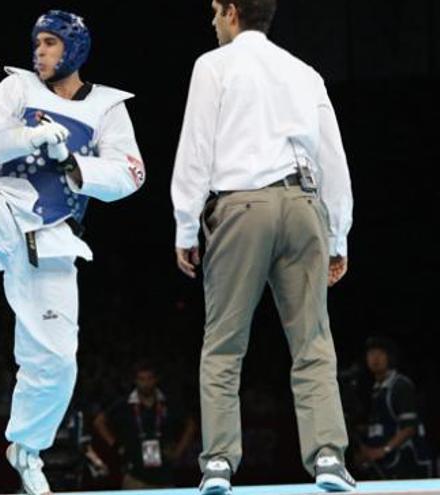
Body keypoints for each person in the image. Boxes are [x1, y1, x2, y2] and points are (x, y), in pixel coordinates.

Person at [0, 10, 145, 495]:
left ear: (73, 49)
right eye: (38, 43)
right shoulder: (17, 88)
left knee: (57, 360)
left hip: (52, 236)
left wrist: (72, 162)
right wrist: (27, 136)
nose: (40, 52)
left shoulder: (108, 108)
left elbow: (131, 175)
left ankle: (26, 449)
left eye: (49, 43)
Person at [170, 0, 355, 493]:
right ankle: (330, 458)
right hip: (303, 205)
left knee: (224, 343)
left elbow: (195, 150)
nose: (211, 21)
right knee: (313, 341)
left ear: (232, 12)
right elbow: (332, 157)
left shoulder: (214, 66)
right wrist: (338, 233)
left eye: (214, 11)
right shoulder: (303, 71)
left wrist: (185, 229)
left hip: (241, 208)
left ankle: (218, 463)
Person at [92, 361, 197, 489]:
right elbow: (99, 421)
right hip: (135, 476)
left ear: (156, 379)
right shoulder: (124, 404)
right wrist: (115, 444)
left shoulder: (168, 402)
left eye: (149, 378)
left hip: (165, 475)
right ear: (135, 381)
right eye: (142, 379)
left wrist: (178, 451)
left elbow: (191, 424)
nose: (146, 383)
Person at [356, 337, 432, 479]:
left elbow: (409, 428)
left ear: (390, 357)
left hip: (409, 464)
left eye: (380, 353)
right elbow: (385, 424)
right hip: (388, 466)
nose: (375, 358)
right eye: (371, 354)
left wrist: (383, 450)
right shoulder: (376, 389)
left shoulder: (400, 386)